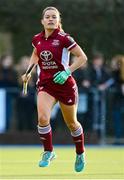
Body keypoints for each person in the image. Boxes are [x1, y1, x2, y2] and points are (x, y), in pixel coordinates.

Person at [22, 6, 87, 172]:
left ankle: (80, 153)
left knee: (72, 123)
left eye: (54, 17)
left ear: (58, 21)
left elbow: (82, 57)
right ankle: (48, 152)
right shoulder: (37, 38)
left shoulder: (65, 38)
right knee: (43, 118)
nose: (50, 19)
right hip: (46, 84)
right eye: (48, 17)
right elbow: (36, 54)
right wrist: (28, 71)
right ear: (42, 21)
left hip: (65, 86)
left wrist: (67, 72)